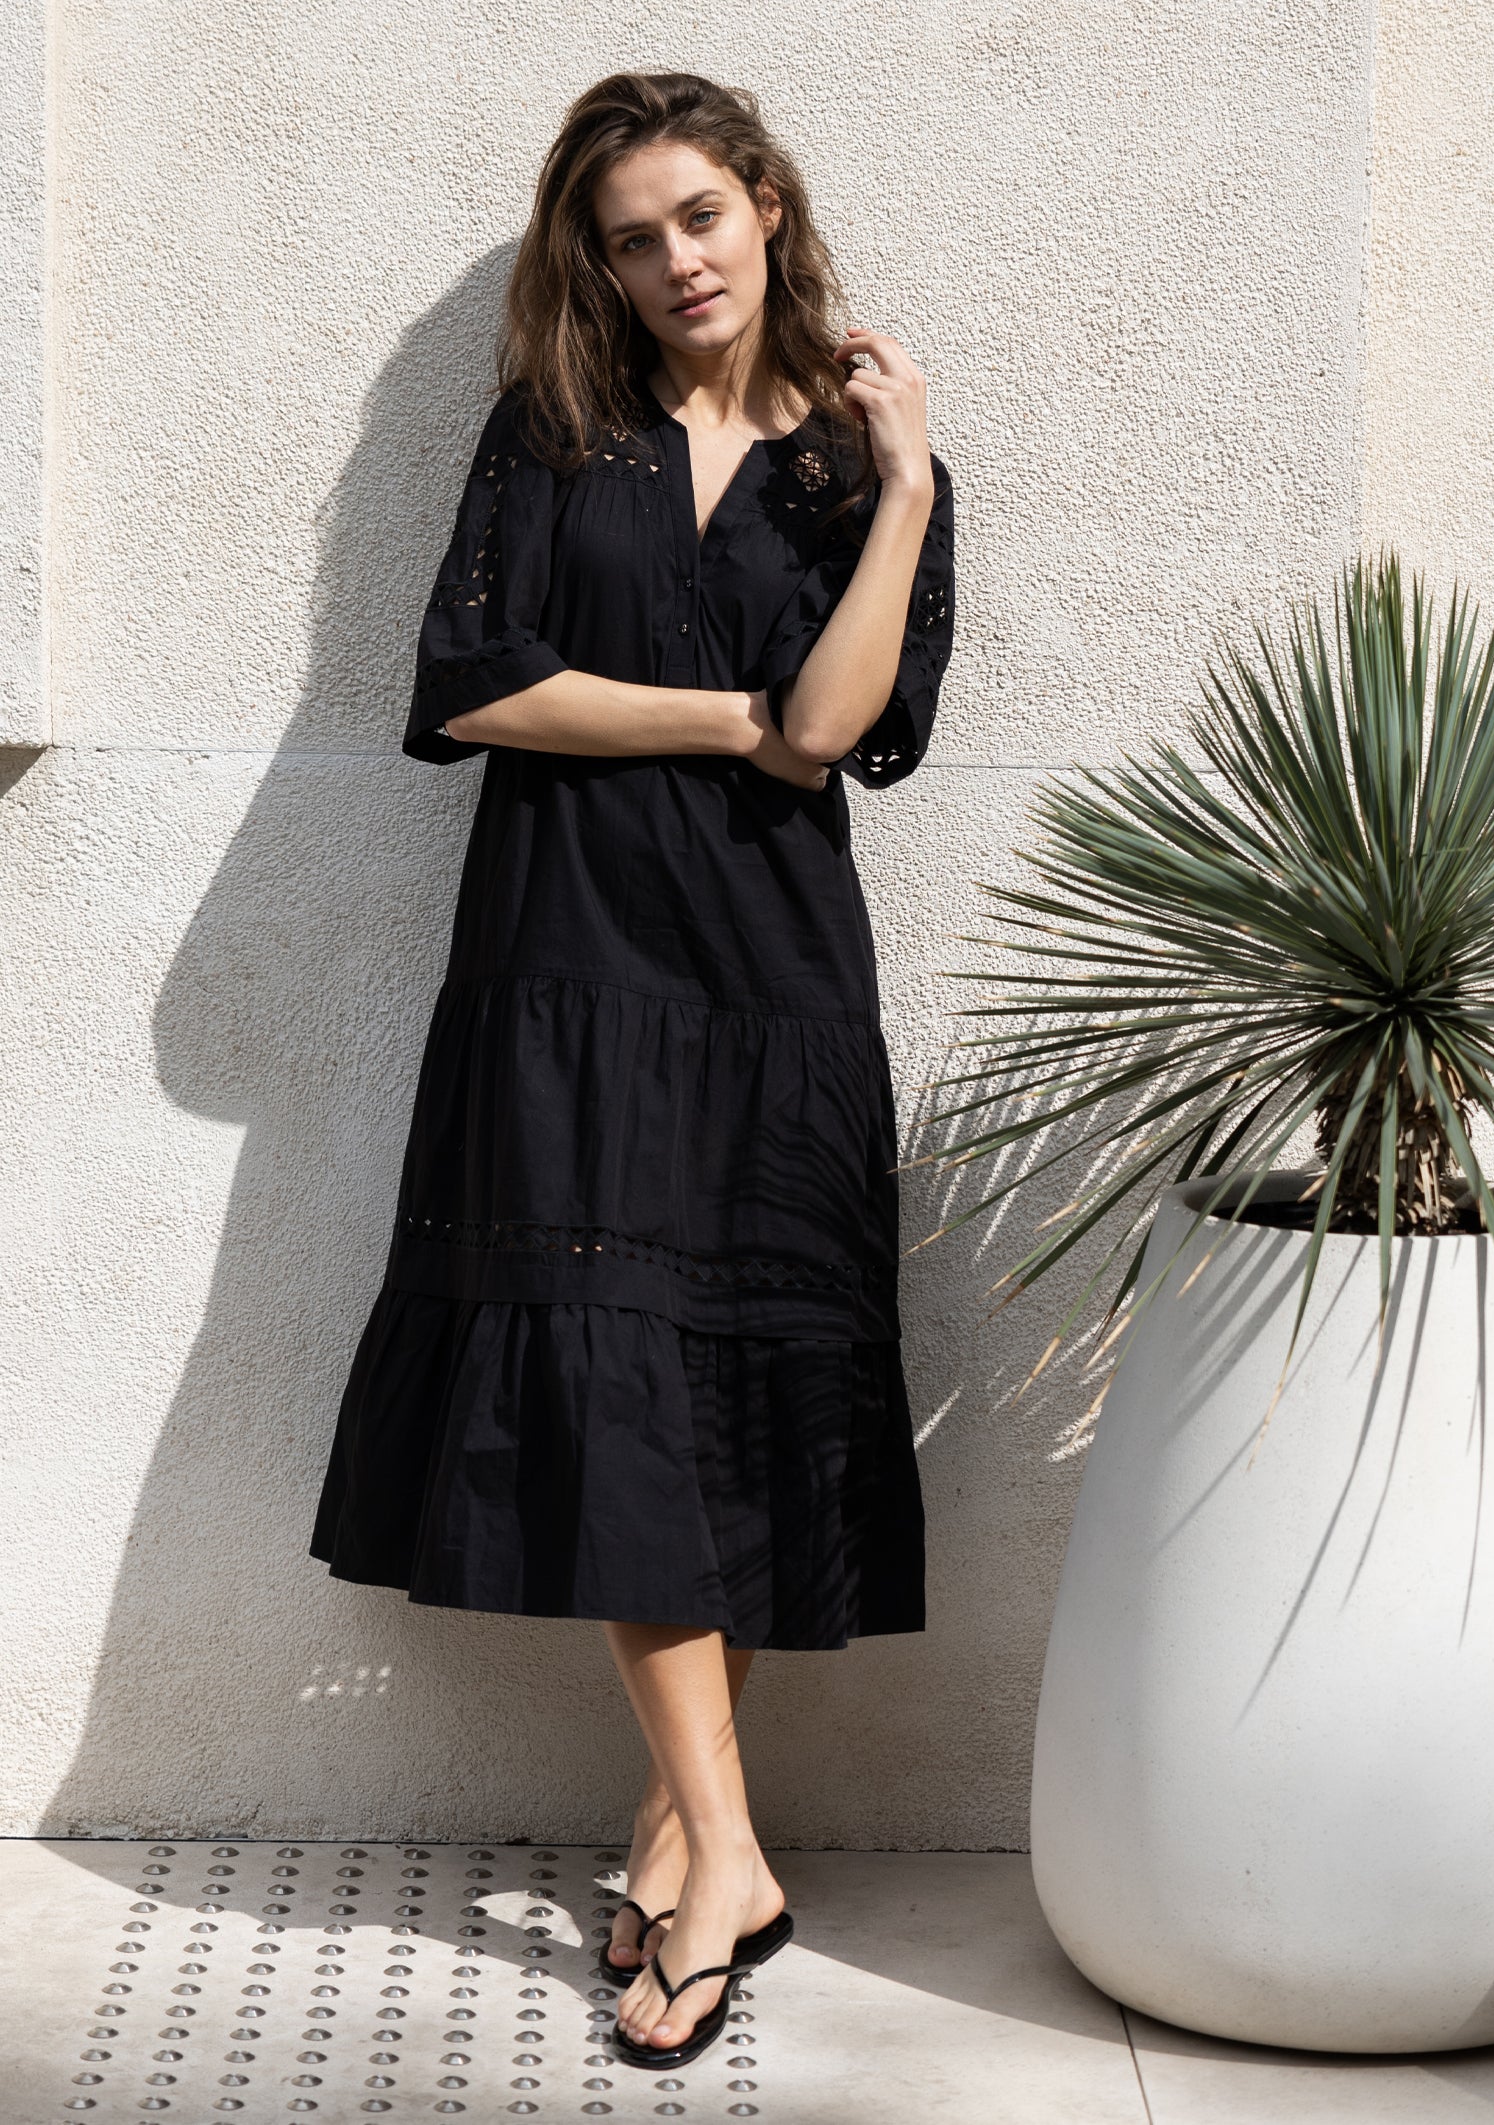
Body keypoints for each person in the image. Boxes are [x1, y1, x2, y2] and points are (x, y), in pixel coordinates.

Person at [308, 69, 955, 2071]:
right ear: (592, 263)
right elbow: (477, 681)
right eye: (628, 236)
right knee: (612, 1386)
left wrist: (907, 488)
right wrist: (719, 712)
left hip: (773, 978)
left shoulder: (856, 461)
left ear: (765, 207)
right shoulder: (555, 429)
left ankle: (681, 1836)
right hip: (566, 965)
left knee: (736, 1379)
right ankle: (731, 1851)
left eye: (697, 215)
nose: (673, 260)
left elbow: (840, 731)